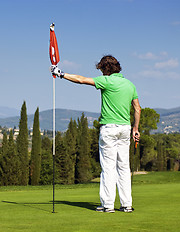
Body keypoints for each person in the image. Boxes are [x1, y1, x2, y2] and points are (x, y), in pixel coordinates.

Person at [50, 55, 141, 213]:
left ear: (106, 69)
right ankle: (127, 205)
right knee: (124, 168)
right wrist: (136, 129)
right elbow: (137, 108)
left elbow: (81, 80)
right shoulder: (130, 84)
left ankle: (108, 205)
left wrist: (61, 74)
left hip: (109, 129)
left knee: (108, 168)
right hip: (125, 129)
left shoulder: (106, 81)